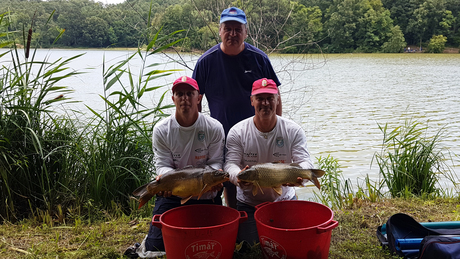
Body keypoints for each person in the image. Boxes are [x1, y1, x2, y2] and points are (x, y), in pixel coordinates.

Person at [192, 6, 282, 209]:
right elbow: (194, 100)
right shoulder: (206, 62)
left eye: (238, 29)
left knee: (263, 175)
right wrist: (199, 134)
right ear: (220, 31)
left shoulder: (259, 59)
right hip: (221, 133)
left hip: (256, 133)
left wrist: (276, 130)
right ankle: (235, 217)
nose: (233, 34)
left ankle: (267, 214)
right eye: (228, 28)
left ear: (246, 32)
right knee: (229, 180)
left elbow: (275, 96)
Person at [224, 78, 313, 245]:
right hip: (249, 203)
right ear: (251, 101)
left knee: (287, 243)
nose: (265, 103)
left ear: (277, 99)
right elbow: (230, 165)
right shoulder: (238, 131)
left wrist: (303, 177)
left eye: (270, 98)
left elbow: (306, 163)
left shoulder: (293, 130)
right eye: (260, 98)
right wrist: (238, 177)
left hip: (284, 200)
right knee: (249, 246)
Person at [144, 76, 225, 253]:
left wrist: (217, 176)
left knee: (211, 242)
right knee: (155, 247)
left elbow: (216, 161)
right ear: (173, 98)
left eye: (190, 93)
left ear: (199, 98)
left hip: (205, 193)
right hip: (172, 195)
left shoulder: (214, 127)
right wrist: (164, 179)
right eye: (179, 94)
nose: (185, 98)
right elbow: (163, 164)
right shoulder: (162, 129)